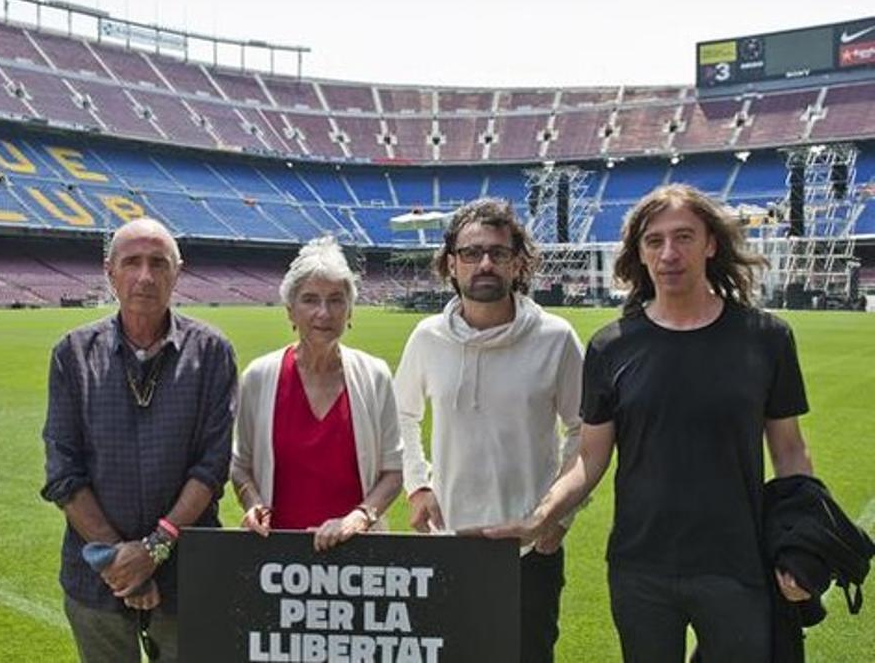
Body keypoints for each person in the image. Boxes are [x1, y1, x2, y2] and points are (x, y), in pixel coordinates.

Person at [483, 183, 815, 663]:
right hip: (640, 570)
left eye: (683, 237)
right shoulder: (611, 346)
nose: (669, 253)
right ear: (639, 252)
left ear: (711, 243)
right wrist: (541, 516)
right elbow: (589, 457)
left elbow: (789, 451)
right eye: (654, 241)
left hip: (736, 564)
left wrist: (799, 541)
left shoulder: (765, 338)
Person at [393, 198, 583, 663]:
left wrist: (557, 518)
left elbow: (583, 432)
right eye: (471, 253)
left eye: (497, 253)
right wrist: (418, 484)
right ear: (450, 264)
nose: (484, 263)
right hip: (449, 540)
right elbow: (400, 416)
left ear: (517, 263)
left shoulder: (556, 338)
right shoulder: (427, 337)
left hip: (529, 544)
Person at [40, 218, 237, 663]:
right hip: (97, 578)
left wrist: (154, 549)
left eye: (157, 263)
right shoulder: (72, 355)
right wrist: (120, 560)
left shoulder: (211, 353)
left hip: (189, 575)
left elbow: (211, 466)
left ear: (177, 272)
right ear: (110, 272)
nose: (145, 276)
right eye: (131, 262)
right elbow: (63, 472)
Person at [231, 236, 403, 551]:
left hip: (358, 552)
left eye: (336, 300)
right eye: (310, 299)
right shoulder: (258, 376)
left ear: (350, 311)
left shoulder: (375, 375)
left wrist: (360, 517)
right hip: (277, 555)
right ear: (290, 311)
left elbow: (393, 472)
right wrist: (253, 504)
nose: (323, 312)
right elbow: (240, 467)